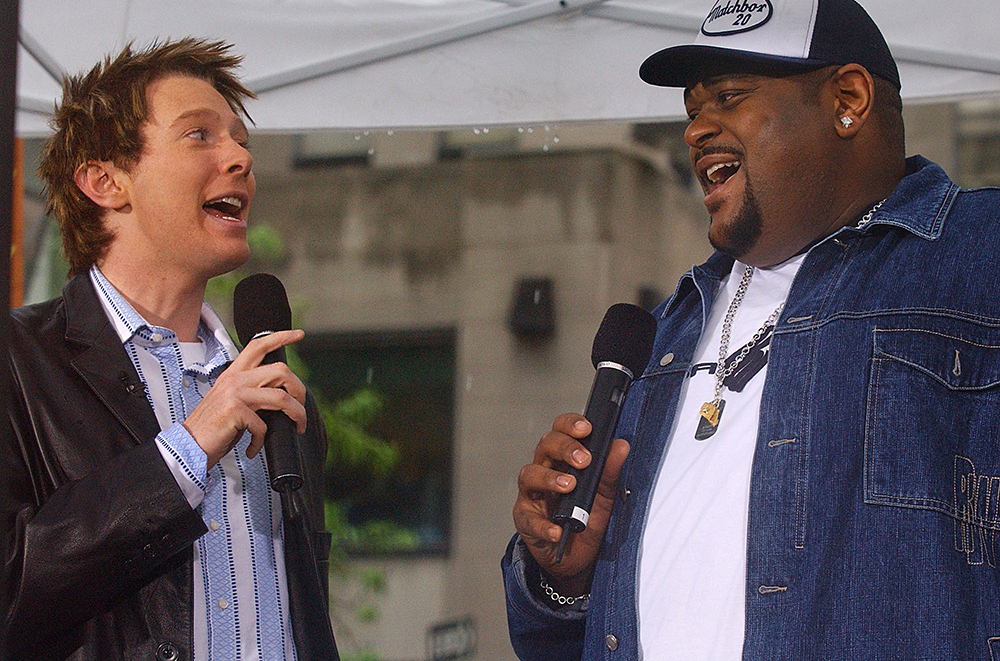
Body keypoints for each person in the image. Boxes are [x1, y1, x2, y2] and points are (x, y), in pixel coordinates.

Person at [503, 0, 1000, 659]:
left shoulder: (974, 256)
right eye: (690, 111)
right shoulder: (665, 332)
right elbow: (560, 642)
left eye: (729, 98)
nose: (695, 131)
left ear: (848, 99)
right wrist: (562, 578)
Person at [0, 39, 337, 660]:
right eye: (199, 136)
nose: (239, 157)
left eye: (241, 141)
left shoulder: (279, 395)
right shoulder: (18, 361)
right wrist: (187, 449)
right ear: (104, 181)